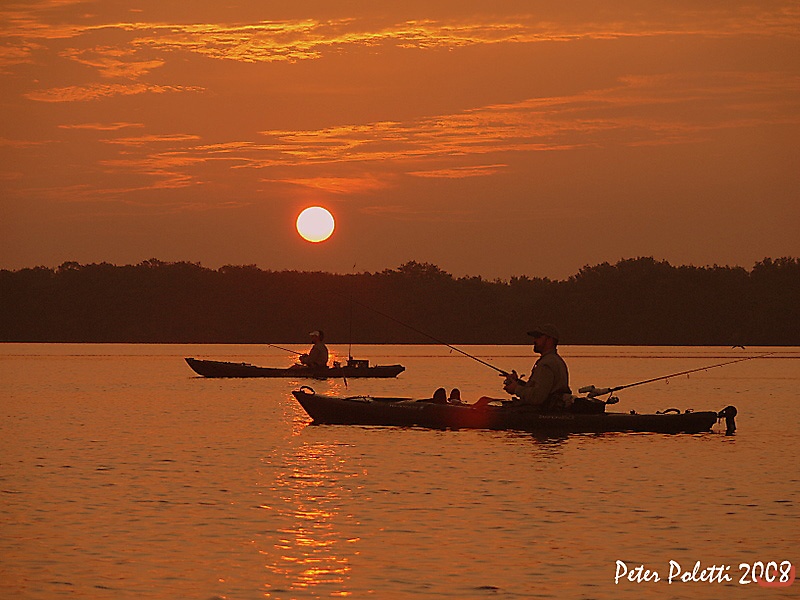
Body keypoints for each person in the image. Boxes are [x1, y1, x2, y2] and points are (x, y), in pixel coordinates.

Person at [500, 324, 572, 411]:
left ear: (550, 340)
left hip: (547, 412)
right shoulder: (555, 360)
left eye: (538, 337)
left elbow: (537, 398)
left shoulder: (547, 364)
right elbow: (541, 389)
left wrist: (516, 389)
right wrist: (517, 382)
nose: (534, 340)